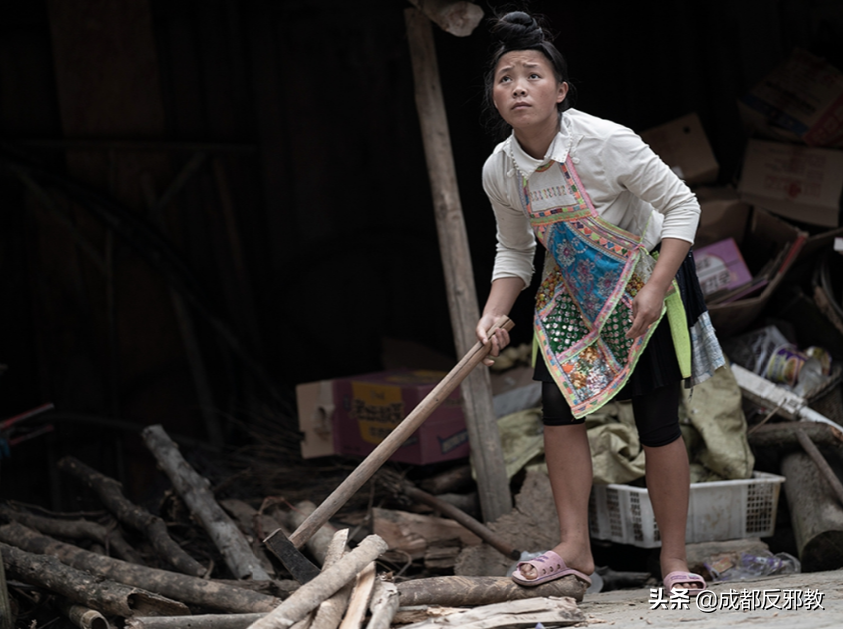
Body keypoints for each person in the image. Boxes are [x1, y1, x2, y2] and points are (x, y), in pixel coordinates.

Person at [474, 10, 725, 595]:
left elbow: (683, 207)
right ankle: (575, 548)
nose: (517, 87)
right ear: (494, 96)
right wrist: (492, 311)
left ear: (560, 91)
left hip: (647, 273)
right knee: (559, 414)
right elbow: (514, 254)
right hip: (571, 290)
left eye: (532, 75)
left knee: (656, 422)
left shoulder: (606, 142)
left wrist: (657, 288)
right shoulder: (500, 169)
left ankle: (674, 562)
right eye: (505, 77)